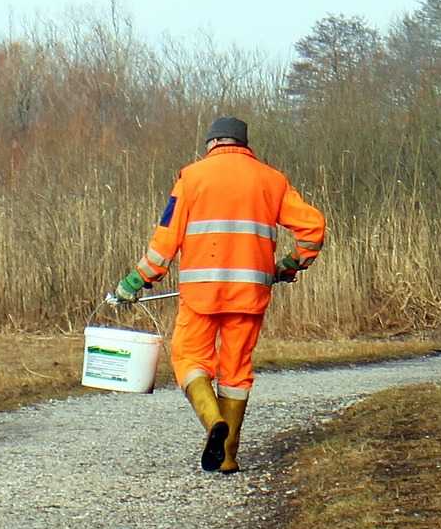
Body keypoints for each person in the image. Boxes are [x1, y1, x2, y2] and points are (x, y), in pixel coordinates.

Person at [114, 116, 326, 474]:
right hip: (250, 294)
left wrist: (137, 280)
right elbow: (313, 230)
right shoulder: (271, 180)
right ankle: (228, 456)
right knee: (236, 372)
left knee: (188, 358)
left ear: (210, 144)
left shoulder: (192, 177)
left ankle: (213, 422)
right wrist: (288, 265)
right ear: (245, 145)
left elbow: (166, 240)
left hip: (201, 293)